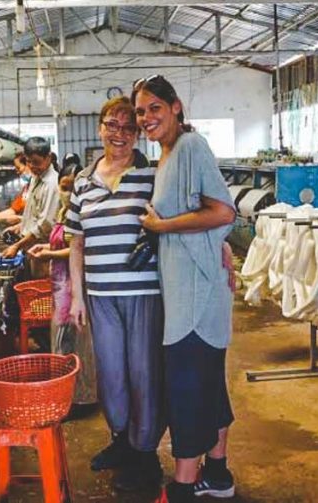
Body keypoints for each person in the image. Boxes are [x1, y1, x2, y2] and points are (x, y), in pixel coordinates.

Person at [133, 75, 238, 503]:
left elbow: (223, 210)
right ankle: (217, 475)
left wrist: (162, 227)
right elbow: (210, 219)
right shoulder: (167, 154)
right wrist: (219, 244)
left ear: (176, 107)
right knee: (208, 385)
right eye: (141, 112)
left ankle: (181, 489)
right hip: (192, 289)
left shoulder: (191, 147)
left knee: (188, 391)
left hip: (194, 296)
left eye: (154, 108)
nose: (146, 118)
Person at [65, 96, 165, 492]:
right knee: (111, 376)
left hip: (144, 293)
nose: (119, 134)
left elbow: (177, 222)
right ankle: (121, 442)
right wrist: (77, 296)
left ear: (138, 133)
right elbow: (76, 243)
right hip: (100, 295)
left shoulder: (153, 175)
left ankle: (145, 454)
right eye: (112, 125)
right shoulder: (82, 183)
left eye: (128, 127)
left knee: (144, 373)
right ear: (100, 127)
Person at [28, 163, 97, 406]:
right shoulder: (62, 213)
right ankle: (66, 395)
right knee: (61, 341)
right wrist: (45, 247)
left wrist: (49, 255)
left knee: (72, 344)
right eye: (63, 187)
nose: (65, 192)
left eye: (70, 188)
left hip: (72, 286)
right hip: (59, 286)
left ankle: (79, 398)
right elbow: (60, 244)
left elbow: (77, 250)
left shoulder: (81, 215)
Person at [2, 137, 58, 260]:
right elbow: (33, 214)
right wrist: (21, 226)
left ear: (48, 157)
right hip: (32, 248)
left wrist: (16, 246)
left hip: (43, 251)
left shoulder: (52, 184)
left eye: (36, 162)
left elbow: (45, 225)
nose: (32, 166)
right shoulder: (35, 178)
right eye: (28, 162)